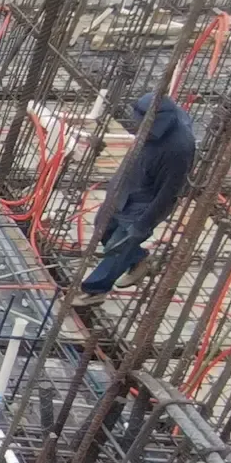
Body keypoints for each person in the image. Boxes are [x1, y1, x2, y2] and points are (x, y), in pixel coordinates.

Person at [75, 93, 196, 305]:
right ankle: (138, 258)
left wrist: (144, 223)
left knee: (119, 245)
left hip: (145, 202)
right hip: (126, 185)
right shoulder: (149, 125)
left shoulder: (178, 149)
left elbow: (169, 192)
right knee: (103, 228)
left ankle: (95, 290)